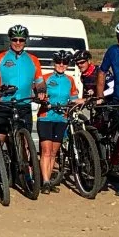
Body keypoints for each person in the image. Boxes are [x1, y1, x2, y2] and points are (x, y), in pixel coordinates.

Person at [0, 24, 43, 144]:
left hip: (24, 104)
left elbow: (39, 82)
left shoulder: (33, 60)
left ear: (25, 41)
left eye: (21, 40)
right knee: (0, 138)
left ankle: (24, 162)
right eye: (14, 39)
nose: (18, 43)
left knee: (24, 141)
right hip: (4, 103)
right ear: (10, 39)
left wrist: (41, 91)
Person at [36, 50, 79, 191]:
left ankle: (48, 181)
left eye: (65, 62)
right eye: (59, 62)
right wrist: (42, 99)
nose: (61, 65)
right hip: (46, 117)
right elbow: (37, 93)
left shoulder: (70, 80)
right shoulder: (46, 78)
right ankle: (46, 181)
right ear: (54, 63)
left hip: (61, 118)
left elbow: (73, 99)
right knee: (46, 151)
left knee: (54, 151)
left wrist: (88, 99)